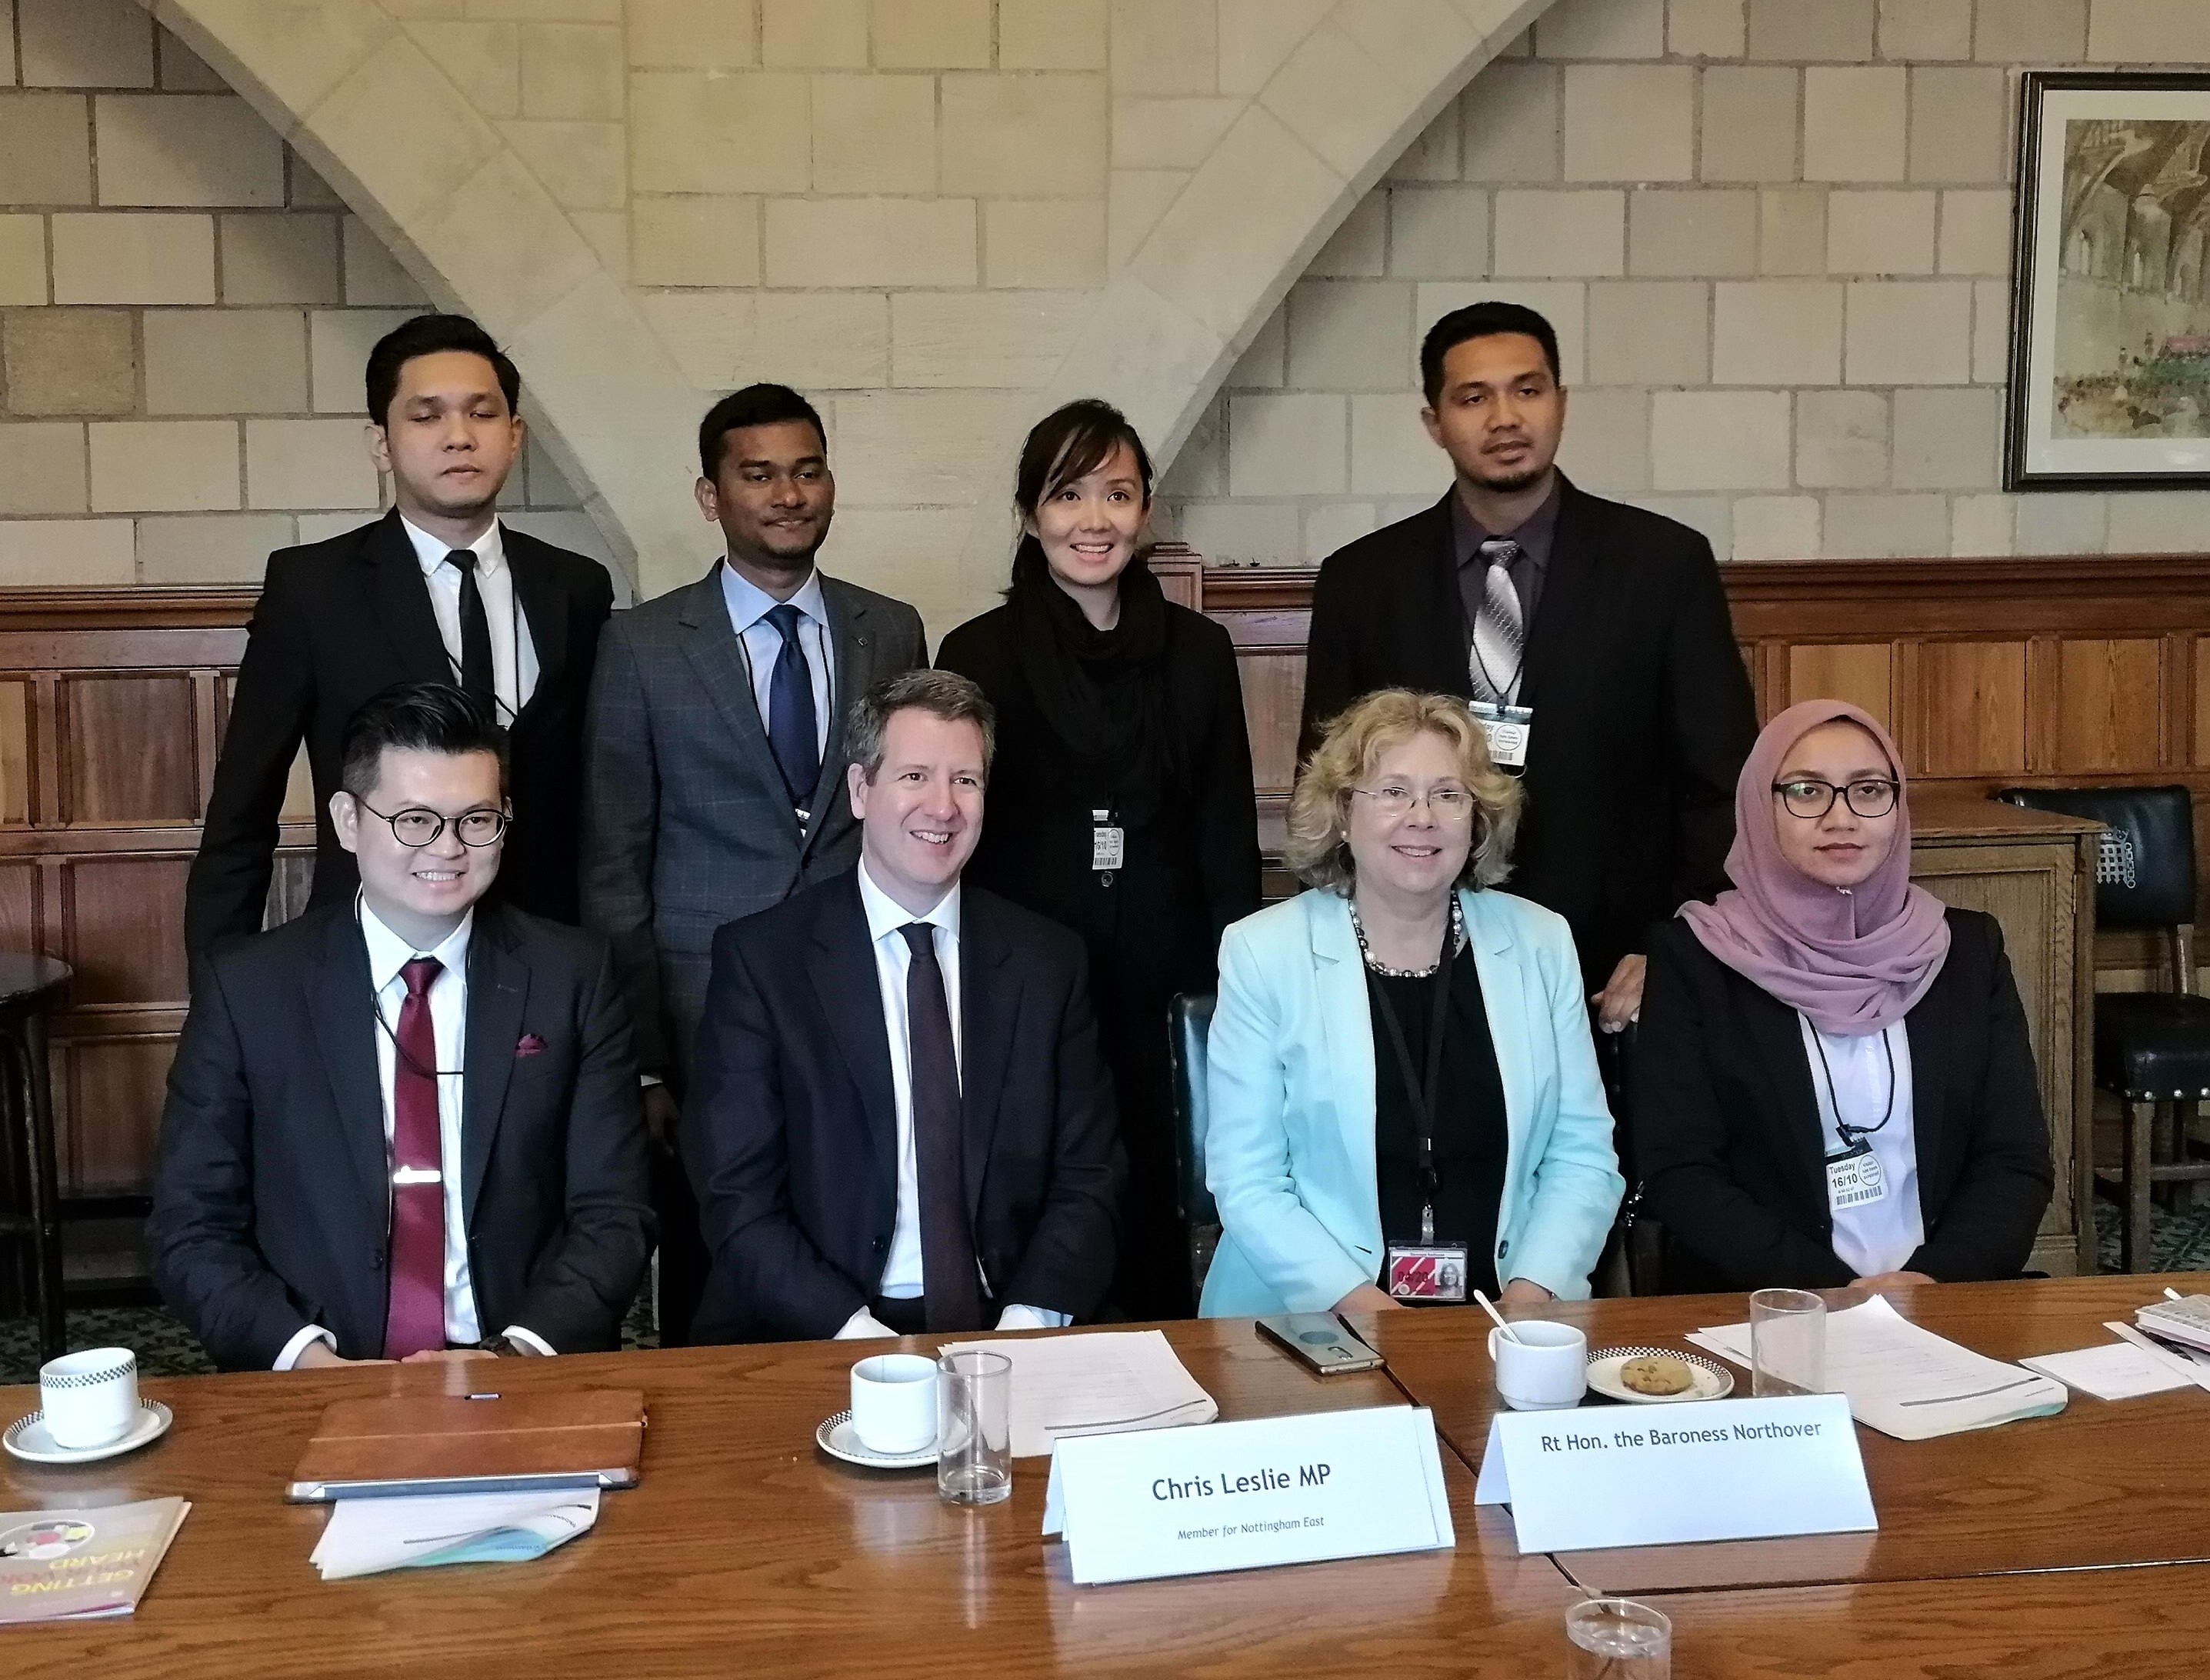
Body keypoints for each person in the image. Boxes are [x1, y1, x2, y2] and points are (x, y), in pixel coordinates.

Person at [150, 684, 653, 1372]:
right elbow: (192, 1226)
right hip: (315, 1375)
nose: (447, 849)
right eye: (415, 820)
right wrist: (306, 1362)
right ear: (348, 821)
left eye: (476, 819)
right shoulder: (249, 988)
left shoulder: (572, 975)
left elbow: (614, 1212)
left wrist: (515, 1354)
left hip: (525, 1369)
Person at [1298, 301, 1757, 1044]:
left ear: (1561, 404)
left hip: (1617, 970)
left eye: (1527, 389)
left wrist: (1678, 940)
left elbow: (1722, 781)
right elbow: (1329, 788)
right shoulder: (1362, 580)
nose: (1504, 417)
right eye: (1473, 398)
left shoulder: (1663, 566)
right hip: (1415, 963)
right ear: (1433, 423)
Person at [578, 384, 926, 1344]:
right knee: (715, 1254)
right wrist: (643, 1061)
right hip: (701, 1014)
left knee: (857, 1213)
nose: (787, 494)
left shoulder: (888, 627)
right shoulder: (642, 645)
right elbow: (616, 863)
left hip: (860, 990)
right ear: (710, 495)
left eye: (807, 471)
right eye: (759, 474)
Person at [936, 399, 1260, 1320]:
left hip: (1161, 972)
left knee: (1154, 1192)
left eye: (1115, 494)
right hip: (1025, 973)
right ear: (1031, 511)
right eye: (1067, 494)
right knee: (1037, 1180)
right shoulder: (978, 653)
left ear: (1145, 511)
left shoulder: (1198, 651)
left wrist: (1228, 986)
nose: (1093, 519)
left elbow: (1224, 831)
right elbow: (959, 829)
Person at [682, 669, 1120, 1344]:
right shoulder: (763, 962)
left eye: (965, 780)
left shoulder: (1046, 962)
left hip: (1010, 1320)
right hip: (820, 1328)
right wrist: (861, 1342)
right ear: (861, 791)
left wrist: (1024, 1328)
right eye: (914, 776)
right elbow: (737, 1197)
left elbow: (1089, 1176)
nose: (942, 807)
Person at [186, 313, 614, 958]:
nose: (459, 438)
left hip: (545, 956)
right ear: (381, 444)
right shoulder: (314, 587)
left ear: (515, 435)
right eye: (426, 416)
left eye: (482, 414)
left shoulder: (577, 586)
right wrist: (220, 1001)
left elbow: (602, 803)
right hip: (369, 949)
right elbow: (241, 811)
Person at [1199, 690, 1622, 1319]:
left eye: (1448, 795)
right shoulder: (1265, 952)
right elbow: (1248, 1181)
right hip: (1309, 1318)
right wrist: (1374, 1318)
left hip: (1513, 1310)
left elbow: (1582, 1153)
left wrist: (1531, 1299)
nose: (1421, 817)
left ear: (1476, 818)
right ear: (1344, 812)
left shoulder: (1539, 942)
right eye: (1392, 792)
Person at [1632, 700, 2052, 1292]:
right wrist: (1827, 1293)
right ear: (1758, 805)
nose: (1841, 817)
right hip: (1763, 1306)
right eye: (1806, 792)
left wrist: (1929, 1282)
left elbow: (2014, 1159)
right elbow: (1681, 1170)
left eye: (1868, 790)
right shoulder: (1697, 956)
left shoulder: (1962, 949)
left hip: (1942, 1299)